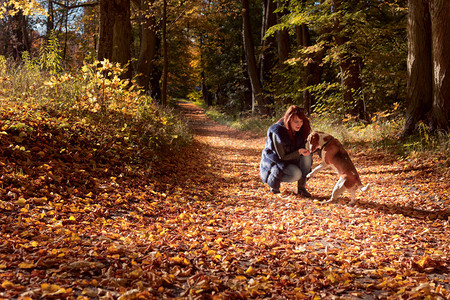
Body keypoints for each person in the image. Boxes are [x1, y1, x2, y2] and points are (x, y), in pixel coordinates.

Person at [260, 105, 313, 196]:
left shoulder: (302, 130)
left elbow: (304, 151)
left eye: (301, 121)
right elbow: (282, 157)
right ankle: (273, 183)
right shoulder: (278, 131)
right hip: (277, 162)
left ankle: (301, 189)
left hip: (292, 159)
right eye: (296, 121)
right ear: (289, 120)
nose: (299, 124)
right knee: (296, 174)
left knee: (307, 156)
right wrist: (299, 152)